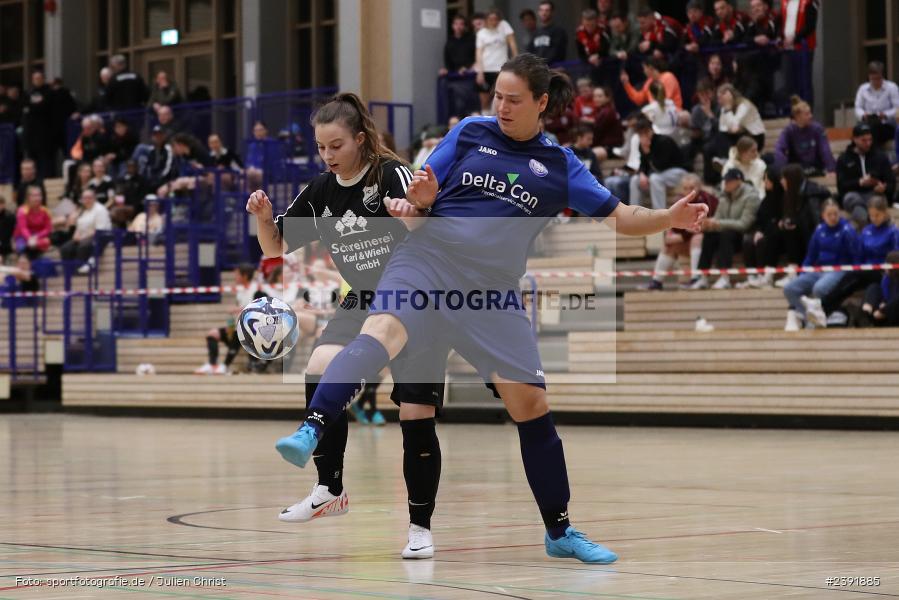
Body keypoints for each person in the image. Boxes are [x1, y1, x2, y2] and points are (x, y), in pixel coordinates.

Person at [266, 54, 707, 564]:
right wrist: (421, 200)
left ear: (542, 103)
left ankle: (560, 531)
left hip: (491, 294)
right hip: (428, 261)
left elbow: (621, 216)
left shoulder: (560, 166)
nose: (501, 106)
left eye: (514, 99)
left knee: (531, 406)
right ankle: (312, 427)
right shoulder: (472, 131)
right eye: (497, 95)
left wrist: (668, 217)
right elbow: (423, 189)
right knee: (382, 328)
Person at [247, 93, 450, 559]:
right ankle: (329, 489)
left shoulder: (391, 174)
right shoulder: (321, 190)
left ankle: (420, 527)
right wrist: (262, 218)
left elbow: (430, 231)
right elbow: (273, 246)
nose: (328, 156)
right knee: (318, 363)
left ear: (360, 139)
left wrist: (411, 214)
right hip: (361, 298)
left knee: (415, 416)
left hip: (415, 297)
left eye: (336, 146)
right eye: (321, 148)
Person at [783, 199, 857, 331]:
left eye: (835, 214)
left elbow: (855, 254)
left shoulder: (847, 230)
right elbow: (811, 256)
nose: (833, 217)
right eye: (829, 215)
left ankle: (819, 316)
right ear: (823, 215)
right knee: (790, 288)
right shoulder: (819, 230)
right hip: (819, 270)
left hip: (838, 269)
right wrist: (803, 273)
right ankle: (807, 317)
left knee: (819, 288)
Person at [690, 169, 760, 289]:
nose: (725, 184)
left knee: (725, 235)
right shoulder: (724, 196)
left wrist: (717, 223)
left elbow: (744, 224)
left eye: (729, 181)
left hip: (744, 235)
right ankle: (703, 277)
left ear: (738, 181)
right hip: (727, 232)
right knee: (709, 235)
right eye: (725, 181)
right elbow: (718, 217)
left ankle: (724, 277)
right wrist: (709, 224)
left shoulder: (751, 196)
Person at [647, 173, 718, 290]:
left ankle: (696, 278)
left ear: (699, 187)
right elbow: (673, 226)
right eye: (685, 188)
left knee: (697, 238)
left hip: (710, 241)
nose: (688, 191)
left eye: (692, 188)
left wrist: (681, 237)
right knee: (668, 244)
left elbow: (701, 226)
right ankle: (656, 282)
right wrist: (672, 234)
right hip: (689, 239)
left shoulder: (708, 199)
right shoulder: (679, 200)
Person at [195, 264, 263, 375]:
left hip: (253, 332)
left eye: (237, 275)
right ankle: (213, 365)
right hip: (237, 327)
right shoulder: (240, 291)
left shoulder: (257, 289)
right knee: (212, 334)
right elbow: (236, 315)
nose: (235, 277)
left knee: (241, 329)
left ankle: (225, 365)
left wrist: (238, 309)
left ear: (245, 276)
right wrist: (230, 326)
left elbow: (260, 309)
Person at [836, 123, 895, 229]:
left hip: (874, 194)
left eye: (870, 140)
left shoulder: (881, 157)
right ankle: (872, 225)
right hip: (853, 195)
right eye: (864, 140)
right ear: (854, 139)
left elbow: (891, 182)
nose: (868, 143)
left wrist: (884, 188)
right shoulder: (844, 159)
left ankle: (869, 225)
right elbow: (841, 186)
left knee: (875, 202)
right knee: (853, 200)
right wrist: (860, 182)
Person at [629, 117, 685, 210]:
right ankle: (634, 213)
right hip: (659, 175)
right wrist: (642, 174)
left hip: (678, 172)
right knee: (635, 179)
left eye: (646, 132)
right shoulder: (642, 145)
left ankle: (659, 215)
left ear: (651, 130)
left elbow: (660, 166)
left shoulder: (664, 141)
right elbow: (643, 165)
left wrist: (647, 152)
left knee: (654, 178)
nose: (644, 136)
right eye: (641, 134)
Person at [774, 96, 836, 175]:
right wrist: (781, 171)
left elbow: (825, 150)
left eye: (810, 112)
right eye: (807, 114)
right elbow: (780, 149)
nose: (811, 116)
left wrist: (831, 169)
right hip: (797, 170)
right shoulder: (789, 131)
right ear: (798, 116)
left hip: (816, 168)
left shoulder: (817, 129)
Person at [59, 189, 112, 274]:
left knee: (83, 246)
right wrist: (75, 235)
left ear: (94, 198)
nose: (87, 200)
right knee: (65, 248)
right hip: (83, 237)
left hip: (98, 237)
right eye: (84, 198)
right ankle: (68, 273)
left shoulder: (100, 210)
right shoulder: (83, 211)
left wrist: (82, 237)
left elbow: (99, 230)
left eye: (89, 198)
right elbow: (79, 226)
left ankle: (79, 271)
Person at [475, 9, 518, 113]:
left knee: (498, 98)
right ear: (486, 20)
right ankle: (485, 121)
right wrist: (480, 72)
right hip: (486, 70)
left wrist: (516, 62)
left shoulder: (504, 26)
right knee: (484, 100)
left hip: (500, 69)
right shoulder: (481, 33)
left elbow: (512, 44)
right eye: (491, 19)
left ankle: (497, 122)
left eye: (496, 19)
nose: (494, 22)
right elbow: (479, 53)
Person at [854, 62, 899, 147]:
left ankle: (873, 154)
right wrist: (864, 115)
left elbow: (897, 108)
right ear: (869, 77)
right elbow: (858, 108)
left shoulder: (892, 87)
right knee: (860, 130)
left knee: (873, 129)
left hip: (887, 125)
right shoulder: (863, 89)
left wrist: (885, 115)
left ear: (882, 76)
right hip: (868, 123)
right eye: (873, 79)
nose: (876, 81)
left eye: (878, 78)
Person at [858, 249, 899, 327]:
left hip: (892, 316)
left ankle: (881, 312)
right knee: (874, 287)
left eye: (887, 263)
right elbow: (884, 294)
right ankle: (866, 311)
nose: (884, 266)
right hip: (879, 314)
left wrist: (885, 309)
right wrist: (883, 303)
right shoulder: (886, 279)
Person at [13, 186, 52, 259]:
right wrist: (30, 238)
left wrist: (36, 237)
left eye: (39, 195)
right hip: (23, 237)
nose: (37, 198)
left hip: (38, 237)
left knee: (46, 242)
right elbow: (23, 229)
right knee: (23, 247)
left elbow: (48, 229)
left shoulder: (45, 211)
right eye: (34, 196)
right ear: (28, 198)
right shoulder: (22, 211)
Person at [588, 86, 624, 159]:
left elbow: (597, 134)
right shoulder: (602, 111)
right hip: (604, 146)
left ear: (607, 98)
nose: (596, 99)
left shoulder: (608, 112)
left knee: (585, 155)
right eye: (594, 96)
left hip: (611, 148)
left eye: (600, 96)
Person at [0, 196, 17, 260]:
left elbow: (14, 231)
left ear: (3, 205)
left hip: (7, 246)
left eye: (1, 204)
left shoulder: (10, 217)